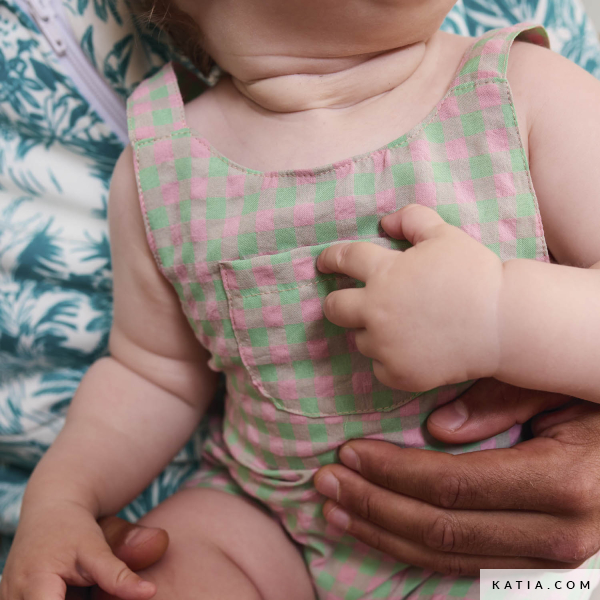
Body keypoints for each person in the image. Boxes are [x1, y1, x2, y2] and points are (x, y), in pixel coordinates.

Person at [3, 2, 600, 600]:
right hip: (269, 517)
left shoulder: (521, 91)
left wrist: (498, 315)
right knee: (162, 571)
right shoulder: (161, 167)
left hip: (512, 539)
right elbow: (152, 374)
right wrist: (63, 499)